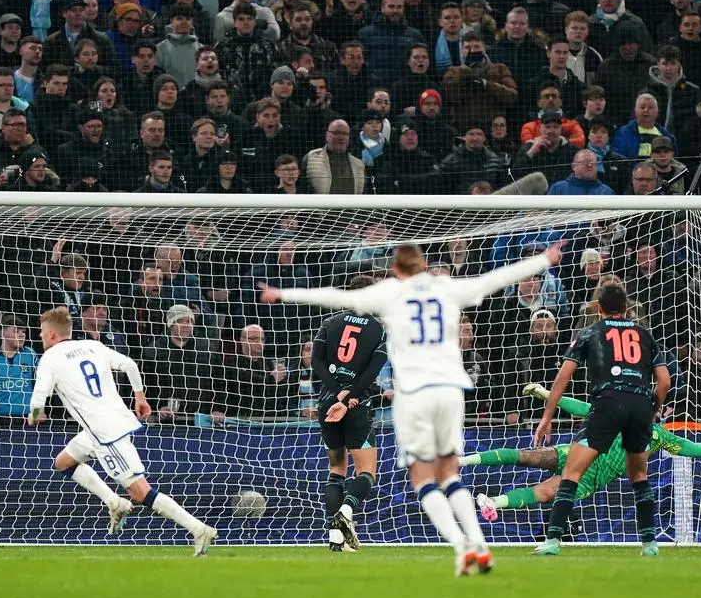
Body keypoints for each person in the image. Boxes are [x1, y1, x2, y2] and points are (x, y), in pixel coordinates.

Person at [260, 241, 566, 575]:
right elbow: (496, 278)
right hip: (450, 390)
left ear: (395, 270)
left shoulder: (391, 293)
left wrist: (283, 293)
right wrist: (543, 259)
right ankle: (478, 543)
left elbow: (337, 298)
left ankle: (461, 547)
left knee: (422, 478)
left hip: (413, 393)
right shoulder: (446, 288)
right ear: (424, 265)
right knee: (449, 472)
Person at [27, 307, 218, 554]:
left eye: (42, 332)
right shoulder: (92, 346)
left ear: (52, 334)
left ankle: (198, 529)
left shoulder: (50, 359)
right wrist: (140, 397)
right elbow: (129, 364)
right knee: (64, 462)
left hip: (105, 434)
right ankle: (114, 502)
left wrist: (34, 417)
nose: (41, 337)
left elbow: (38, 400)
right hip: (109, 423)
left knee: (140, 492)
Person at [531, 282, 670, 557]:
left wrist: (547, 417)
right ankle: (650, 544)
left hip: (608, 404)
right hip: (640, 405)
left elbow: (563, 377)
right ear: (627, 308)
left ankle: (553, 541)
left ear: (598, 308)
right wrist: (653, 408)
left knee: (572, 472)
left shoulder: (591, 333)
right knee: (639, 475)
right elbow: (664, 381)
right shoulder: (644, 334)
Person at [469, 384, 701, 513]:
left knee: (547, 491)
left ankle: (494, 503)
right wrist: (548, 395)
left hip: (591, 478)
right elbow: (584, 408)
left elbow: (691, 449)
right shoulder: (619, 415)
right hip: (579, 453)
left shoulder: (659, 436)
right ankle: (464, 460)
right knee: (530, 456)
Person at [311, 275, 389, 552]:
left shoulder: (330, 323)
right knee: (366, 471)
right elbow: (371, 372)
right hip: (357, 407)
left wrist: (336, 393)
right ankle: (346, 509)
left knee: (336, 470)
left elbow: (316, 362)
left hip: (327, 405)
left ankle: (336, 539)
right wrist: (349, 397)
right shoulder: (379, 330)